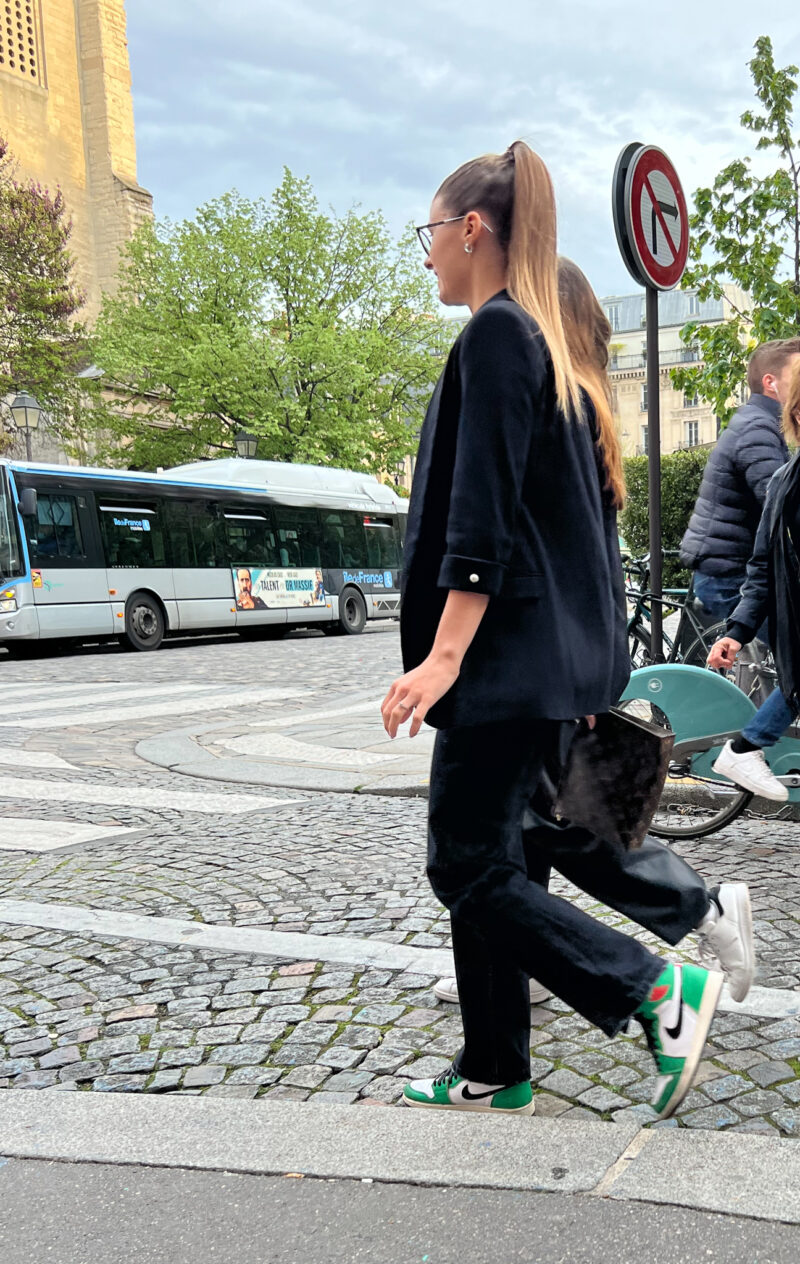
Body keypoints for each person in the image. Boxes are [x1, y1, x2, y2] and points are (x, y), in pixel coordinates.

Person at [382, 141, 723, 1121]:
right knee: (501, 856)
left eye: (430, 233)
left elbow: (477, 522)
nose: (427, 253)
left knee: (466, 862)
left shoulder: (497, 335)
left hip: (495, 666)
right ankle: (498, 1067)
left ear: (472, 227)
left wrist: (441, 658)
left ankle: (652, 989)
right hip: (540, 663)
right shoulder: (544, 345)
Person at [432, 258, 754, 1012]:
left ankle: (664, 946)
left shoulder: (547, 406)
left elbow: (539, 555)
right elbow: (597, 571)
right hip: (556, 670)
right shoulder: (588, 419)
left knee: (511, 838)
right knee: (532, 827)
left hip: (520, 670)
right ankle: (522, 990)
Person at [681, 338, 800, 800]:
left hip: (739, 572)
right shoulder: (758, 431)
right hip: (731, 575)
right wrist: (738, 628)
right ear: (773, 383)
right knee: (796, 661)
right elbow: (777, 503)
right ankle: (746, 746)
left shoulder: (762, 426)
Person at [709, 362, 800, 775]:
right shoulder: (784, 483)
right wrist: (737, 632)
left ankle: (746, 748)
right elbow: (762, 567)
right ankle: (745, 749)